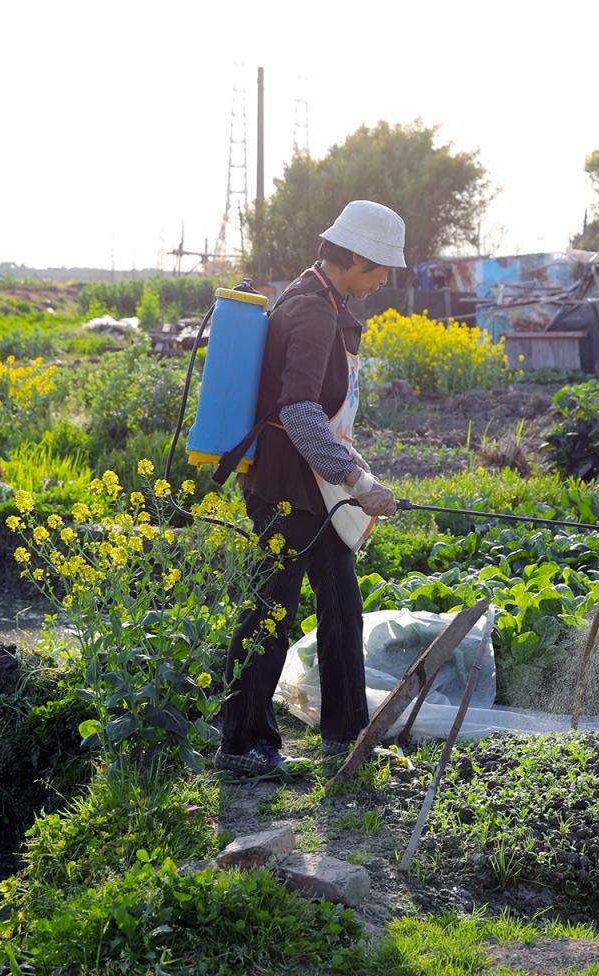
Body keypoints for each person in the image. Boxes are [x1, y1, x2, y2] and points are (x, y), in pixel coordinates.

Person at [215, 200, 405, 778]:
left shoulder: (325, 300)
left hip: (311, 485)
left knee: (341, 600)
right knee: (273, 607)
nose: (384, 280)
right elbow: (298, 412)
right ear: (353, 257)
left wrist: (356, 475)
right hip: (286, 486)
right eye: (380, 268)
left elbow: (323, 414)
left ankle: (347, 737)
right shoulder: (312, 310)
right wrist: (355, 481)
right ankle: (241, 742)